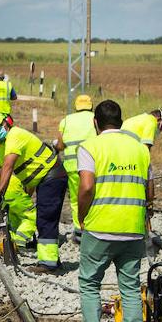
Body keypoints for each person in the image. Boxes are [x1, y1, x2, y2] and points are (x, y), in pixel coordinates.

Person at [73, 103, 152, 322]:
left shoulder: (91, 147)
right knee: (130, 288)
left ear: (96, 122)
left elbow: (86, 186)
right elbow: (150, 191)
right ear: (122, 121)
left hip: (99, 228)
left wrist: (82, 216)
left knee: (90, 284)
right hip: (132, 229)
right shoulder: (141, 149)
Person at [0, 113, 67, 273]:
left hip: (52, 176)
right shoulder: (5, 142)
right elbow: (25, 171)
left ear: (6, 123)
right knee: (44, 217)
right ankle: (51, 260)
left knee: (45, 218)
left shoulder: (14, 135)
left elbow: (8, 167)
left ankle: (48, 264)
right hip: (46, 178)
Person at [54, 94, 99, 240]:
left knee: (75, 198)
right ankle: (95, 227)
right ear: (91, 106)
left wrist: (56, 145)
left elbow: (60, 145)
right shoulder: (96, 119)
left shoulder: (66, 121)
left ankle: (79, 230)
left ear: (76, 106)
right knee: (94, 195)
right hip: (94, 165)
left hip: (72, 166)